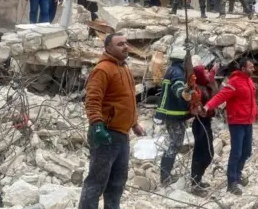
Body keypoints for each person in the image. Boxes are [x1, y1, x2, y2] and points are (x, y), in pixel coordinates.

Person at [79, 33, 146, 209]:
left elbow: (126, 100)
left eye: (126, 43)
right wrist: (97, 125)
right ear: (108, 48)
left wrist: (134, 124)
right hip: (106, 134)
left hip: (122, 135)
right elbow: (93, 100)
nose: (125, 47)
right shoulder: (103, 69)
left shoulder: (124, 68)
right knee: (96, 182)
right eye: (120, 44)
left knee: (117, 183)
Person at [203, 58, 258, 195]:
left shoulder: (249, 81)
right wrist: (208, 106)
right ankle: (231, 182)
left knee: (246, 151)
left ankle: (237, 175)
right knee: (236, 152)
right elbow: (221, 96)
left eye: (253, 67)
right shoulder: (234, 82)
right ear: (243, 69)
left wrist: (255, 113)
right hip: (237, 123)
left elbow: (252, 100)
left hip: (248, 122)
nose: (253, 69)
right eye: (250, 67)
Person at [155, 47, 193, 186]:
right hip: (174, 114)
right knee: (175, 144)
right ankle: (165, 177)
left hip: (170, 113)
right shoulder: (178, 72)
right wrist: (184, 92)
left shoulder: (171, 69)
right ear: (183, 60)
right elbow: (177, 87)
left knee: (174, 143)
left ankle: (165, 175)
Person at [190, 63, 219, 196]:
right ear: (200, 75)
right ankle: (195, 184)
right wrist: (202, 108)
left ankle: (198, 179)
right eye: (205, 72)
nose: (207, 74)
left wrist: (214, 70)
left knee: (207, 153)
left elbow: (211, 77)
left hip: (206, 122)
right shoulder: (197, 91)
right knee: (202, 154)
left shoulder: (204, 85)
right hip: (200, 123)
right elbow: (197, 109)